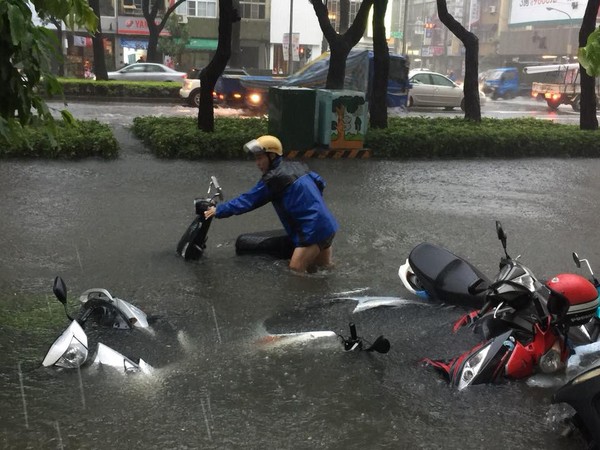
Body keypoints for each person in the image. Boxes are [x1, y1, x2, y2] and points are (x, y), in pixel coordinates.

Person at [204, 135, 339, 273]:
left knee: (296, 271)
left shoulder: (274, 179)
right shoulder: (297, 166)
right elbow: (320, 182)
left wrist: (219, 210)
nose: (257, 163)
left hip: (311, 232)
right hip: (327, 226)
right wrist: (311, 202)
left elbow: (248, 200)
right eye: (256, 159)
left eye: (260, 158)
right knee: (324, 270)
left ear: (272, 156)